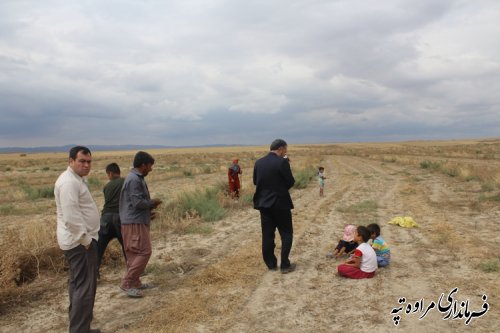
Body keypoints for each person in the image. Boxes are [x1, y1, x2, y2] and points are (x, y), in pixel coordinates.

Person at [54, 146, 101, 333]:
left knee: (78, 286)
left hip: (78, 242)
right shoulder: (68, 183)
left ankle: (80, 328)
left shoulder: (76, 180)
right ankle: (80, 330)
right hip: (80, 244)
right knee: (85, 289)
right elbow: (71, 218)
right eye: (82, 161)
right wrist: (86, 241)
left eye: (89, 161)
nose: (86, 165)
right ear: (70, 161)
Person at [119, 151, 162, 298]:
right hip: (134, 222)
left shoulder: (136, 178)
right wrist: (153, 203)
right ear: (143, 165)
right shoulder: (134, 180)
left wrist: (148, 212)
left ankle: (135, 282)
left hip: (133, 221)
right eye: (150, 166)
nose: (151, 169)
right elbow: (137, 203)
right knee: (144, 251)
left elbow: (133, 203)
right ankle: (127, 282)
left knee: (134, 253)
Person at [253, 139, 296, 274]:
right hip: (280, 204)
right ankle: (284, 265)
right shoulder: (282, 162)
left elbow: (255, 181)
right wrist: (280, 189)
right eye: (285, 150)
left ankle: (271, 264)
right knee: (286, 234)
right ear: (281, 149)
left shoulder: (258, 162)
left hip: (264, 205)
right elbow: (290, 181)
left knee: (267, 235)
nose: (285, 153)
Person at [97, 163, 126, 276]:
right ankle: (133, 270)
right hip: (120, 218)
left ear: (110, 173)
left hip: (105, 219)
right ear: (118, 172)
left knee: (99, 248)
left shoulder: (106, 187)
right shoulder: (125, 182)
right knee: (127, 246)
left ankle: (94, 273)